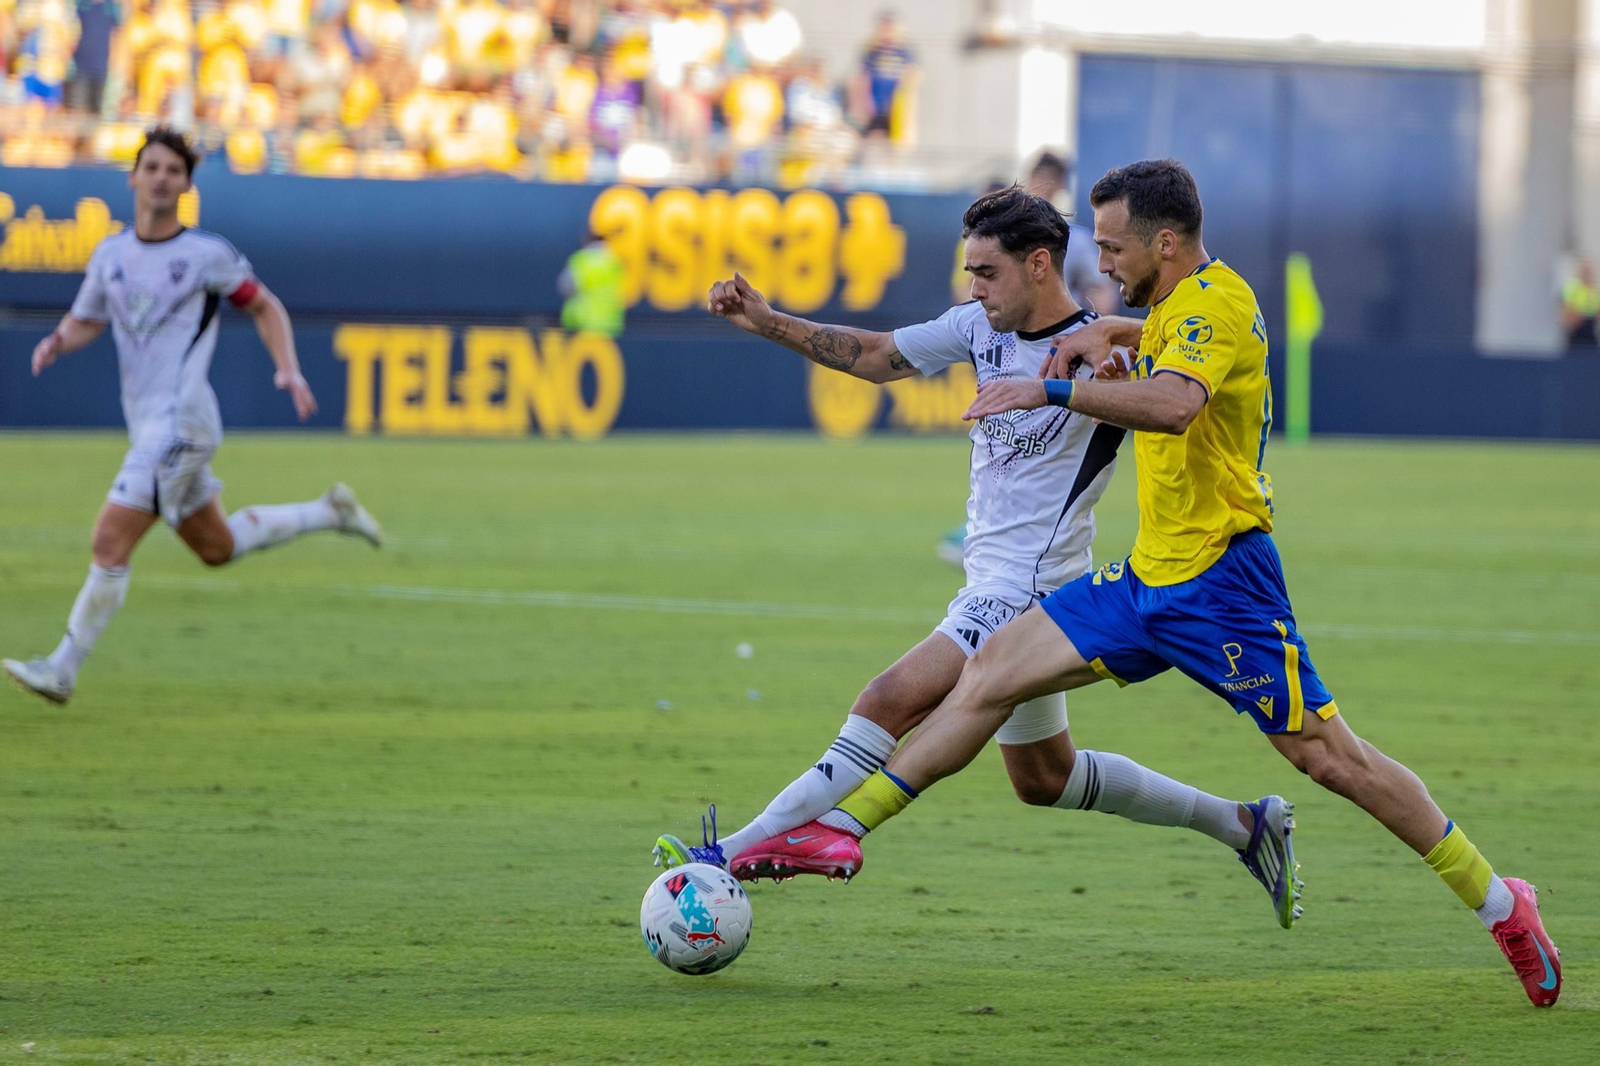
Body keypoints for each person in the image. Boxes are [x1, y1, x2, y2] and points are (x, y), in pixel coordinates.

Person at [758, 159, 1563, 1008]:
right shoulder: (1177, 306)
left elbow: (1177, 403)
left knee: (1332, 761)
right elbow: (1161, 339)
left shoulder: (1216, 302)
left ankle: (1504, 904)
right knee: (991, 670)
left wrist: (1053, 387)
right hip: (1146, 581)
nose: (1099, 265)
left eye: (1112, 248)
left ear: (1165, 242)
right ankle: (843, 832)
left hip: (1224, 586)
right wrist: (1115, 335)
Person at [654, 185, 1300, 930]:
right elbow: (872, 355)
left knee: (888, 700)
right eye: (970, 273)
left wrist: (1102, 378)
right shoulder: (976, 328)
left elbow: (1172, 399)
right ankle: (1247, 826)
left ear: (1036, 265)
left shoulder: (1099, 352)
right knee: (1043, 777)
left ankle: (726, 853)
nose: (974, 289)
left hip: (1030, 594)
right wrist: (765, 321)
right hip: (996, 582)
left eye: (986, 273)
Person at [3, 128, 383, 707]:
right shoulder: (110, 255)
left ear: (186, 185)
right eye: (151, 167)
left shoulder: (205, 255)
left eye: (172, 171)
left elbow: (264, 304)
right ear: (132, 178)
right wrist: (58, 340)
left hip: (182, 423)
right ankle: (329, 511)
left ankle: (62, 668)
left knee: (109, 541)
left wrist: (288, 368)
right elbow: (89, 317)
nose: (161, 178)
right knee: (217, 547)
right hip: (150, 423)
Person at [559, 229, 626, 337]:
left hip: (584, 323)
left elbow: (565, 287)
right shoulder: (615, 262)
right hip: (611, 325)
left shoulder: (582, 260)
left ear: (587, 240)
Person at [1561, 256, 1598, 349]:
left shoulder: (1595, 290)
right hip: (1576, 330)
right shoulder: (1572, 287)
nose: (1587, 274)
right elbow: (1566, 310)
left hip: (1590, 330)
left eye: (1589, 271)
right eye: (1585, 271)